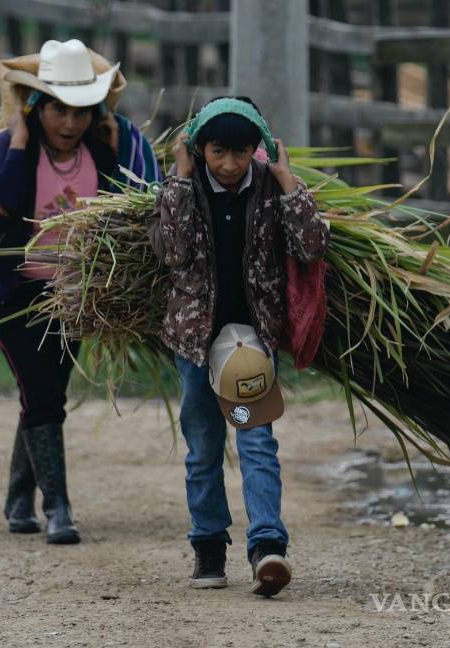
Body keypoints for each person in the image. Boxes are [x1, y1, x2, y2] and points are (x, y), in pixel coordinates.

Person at [0, 39, 161, 544]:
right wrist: (23, 137)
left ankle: (15, 500)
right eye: (56, 111)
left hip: (71, 296)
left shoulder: (101, 146)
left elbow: (120, 209)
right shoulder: (12, 146)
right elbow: (3, 200)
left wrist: (113, 151)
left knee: (42, 395)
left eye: (79, 113)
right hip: (12, 293)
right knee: (45, 396)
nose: (68, 124)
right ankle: (60, 510)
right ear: (37, 107)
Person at [149, 96, 328, 595]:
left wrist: (290, 181)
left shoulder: (272, 188)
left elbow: (312, 246)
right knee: (204, 446)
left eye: (241, 152)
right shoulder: (182, 186)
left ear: (259, 150)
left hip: (250, 342)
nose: (229, 165)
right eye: (217, 152)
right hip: (195, 341)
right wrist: (182, 178)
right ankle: (208, 546)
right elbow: (172, 251)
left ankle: (267, 546)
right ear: (200, 148)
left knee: (255, 440)